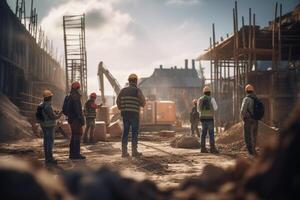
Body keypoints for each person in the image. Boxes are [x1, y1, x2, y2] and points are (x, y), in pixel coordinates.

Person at [116, 74, 146, 158]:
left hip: (125, 114)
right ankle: (134, 152)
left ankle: (124, 153)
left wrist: (122, 108)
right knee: (134, 133)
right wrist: (138, 103)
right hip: (134, 115)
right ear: (136, 81)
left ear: (129, 81)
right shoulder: (137, 91)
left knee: (125, 133)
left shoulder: (123, 90)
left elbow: (118, 101)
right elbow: (143, 103)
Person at [39, 90, 62, 164]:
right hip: (49, 126)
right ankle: (50, 158)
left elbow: (47, 114)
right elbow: (53, 117)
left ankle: (47, 158)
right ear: (49, 97)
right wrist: (59, 114)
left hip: (44, 125)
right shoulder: (48, 106)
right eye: (51, 97)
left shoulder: (41, 104)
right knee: (50, 142)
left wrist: (54, 112)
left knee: (46, 141)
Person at [197, 86, 219, 154]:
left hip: (203, 118)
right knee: (211, 133)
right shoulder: (212, 99)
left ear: (204, 92)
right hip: (210, 118)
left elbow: (198, 110)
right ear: (210, 92)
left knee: (203, 133)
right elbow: (215, 108)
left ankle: (203, 148)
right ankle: (212, 148)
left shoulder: (200, 99)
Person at [67, 81, 86, 160]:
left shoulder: (70, 95)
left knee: (74, 135)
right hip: (76, 120)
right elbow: (78, 110)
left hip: (71, 119)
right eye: (79, 88)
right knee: (77, 135)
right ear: (77, 88)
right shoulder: (75, 96)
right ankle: (76, 154)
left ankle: (72, 154)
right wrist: (81, 120)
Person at [240, 84, 259, 156]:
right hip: (255, 120)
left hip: (248, 120)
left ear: (246, 91)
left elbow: (242, 110)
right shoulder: (256, 98)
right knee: (254, 135)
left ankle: (251, 152)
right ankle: (254, 150)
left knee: (247, 136)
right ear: (252, 90)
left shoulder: (246, 99)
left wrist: (242, 117)